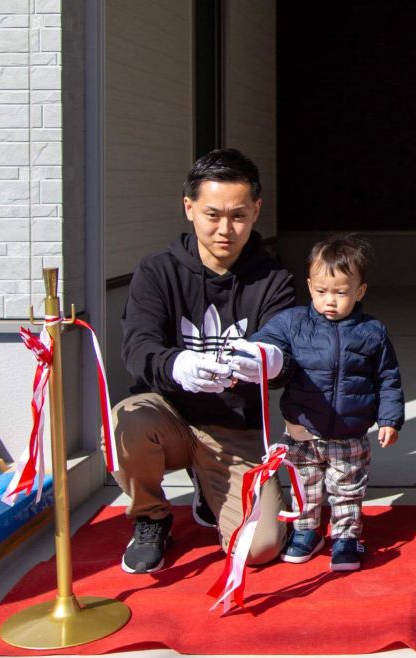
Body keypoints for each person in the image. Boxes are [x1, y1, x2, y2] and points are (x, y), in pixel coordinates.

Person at [111, 148, 294, 574]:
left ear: (256, 211)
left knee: (260, 549)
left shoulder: (274, 280)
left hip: (235, 428)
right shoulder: (157, 272)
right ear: (189, 207)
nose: (225, 229)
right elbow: (137, 347)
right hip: (168, 415)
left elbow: (287, 350)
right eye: (213, 215)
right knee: (127, 420)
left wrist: (270, 361)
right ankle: (151, 516)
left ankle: (208, 487)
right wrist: (176, 366)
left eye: (238, 215)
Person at [251, 234, 404, 572]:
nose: (329, 301)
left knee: (348, 487)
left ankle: (346, 537)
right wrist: (251, 355)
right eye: (321, 292)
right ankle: (306, 531)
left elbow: (388, 379)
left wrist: (390, 419)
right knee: (305, 485)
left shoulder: (372, 332)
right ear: (309, 286)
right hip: (302, 430)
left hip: (350, 433)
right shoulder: (293, 324)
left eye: (340, 292)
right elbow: (264, 342)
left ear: (360, 291)